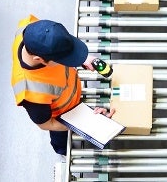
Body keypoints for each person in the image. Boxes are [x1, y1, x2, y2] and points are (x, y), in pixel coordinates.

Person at [11, 15, 115, 156]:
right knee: (61, 142)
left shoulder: (30, 27)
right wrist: (88, 124)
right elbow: (47, 124)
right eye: (64, 59)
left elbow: (52, 40)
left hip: (71, 92)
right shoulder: (30, 93)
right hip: (63, 115)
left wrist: (82, 59)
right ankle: (62, 151)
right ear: (39, 59)